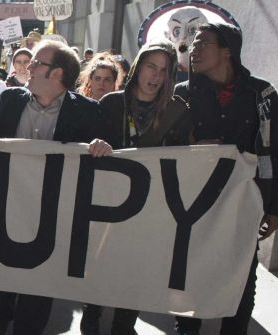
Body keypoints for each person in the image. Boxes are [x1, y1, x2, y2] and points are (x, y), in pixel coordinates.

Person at [0, 39, 112, 335]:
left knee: (40, 282)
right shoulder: (11, 98)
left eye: (37, 63)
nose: (29, 67)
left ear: (57, 74)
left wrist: (102, 146)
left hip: (54, 215)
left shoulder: (87, 112)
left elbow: (109, 160)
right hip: (7, 205)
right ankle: (3, 310)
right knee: (2, 273)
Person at [173, 23, 278, 335]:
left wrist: (273, 206)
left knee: (240, 280)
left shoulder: (261, 94)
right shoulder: (182, 94)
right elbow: (168, 148)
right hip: (194, 204)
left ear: (227, 52)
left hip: (243, 204)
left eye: (202, 43)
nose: (193, 49)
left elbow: (272, 152)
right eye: (192, 44)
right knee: (189, 276)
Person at [79, 40, 191, 335]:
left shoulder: (178, 110)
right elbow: (87, 149)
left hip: (152, 207)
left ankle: (124, 325)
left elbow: (184, 158)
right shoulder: (112, 103)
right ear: (139, 67)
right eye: (151, 67)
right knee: (101, 264)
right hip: (108, 204)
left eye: (164, 71)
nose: (156, 76)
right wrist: (96, 144)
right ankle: (91, 319)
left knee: (136, 269)